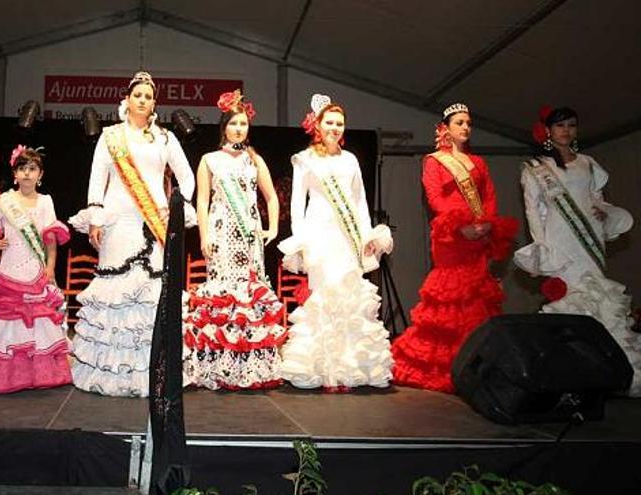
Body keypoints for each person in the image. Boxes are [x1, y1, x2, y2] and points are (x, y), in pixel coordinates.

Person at [69, 71, 195, 397]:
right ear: (127, 99)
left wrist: (175, 205)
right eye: (137, 94)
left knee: (151, 292)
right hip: (117, 221)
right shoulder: (110, 136)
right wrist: (95, 218)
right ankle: (111, 373)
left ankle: (149, 372)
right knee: (115, 292)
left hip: (153, 222)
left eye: (148, 96)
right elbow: (97, 178)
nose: (143, 100)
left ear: (155, 103)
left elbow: (187, 177)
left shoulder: (165, 138)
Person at [391, 103, 517, 393]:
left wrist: (487, 223)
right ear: (445, 128)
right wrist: (461, 227)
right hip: (451, 236)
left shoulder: (479, 163)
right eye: (459, 122)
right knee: (450, 295)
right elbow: (434, 197)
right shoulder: (434, 161)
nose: (465, 127)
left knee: (476, 297)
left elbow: (489, 196)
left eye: (468, 123)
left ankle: (476, 362)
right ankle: (443, 365)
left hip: (478, 235)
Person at [515, 106, 641, 396]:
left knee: (598, 293)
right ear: (548, 131)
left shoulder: (588, 163)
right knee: (571, 295)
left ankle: (614, 366)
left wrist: (603, 212)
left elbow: (596, 199)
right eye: (560, 126)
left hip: (590, 238)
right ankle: (573, 368)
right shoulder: (536, 169)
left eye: (572, 125)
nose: (566, 131)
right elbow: (534, 211)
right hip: (560, 239)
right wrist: (542, 247)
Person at [277, 94, 394, 391]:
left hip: (347, 236)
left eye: (340, 123)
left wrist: (367, 235)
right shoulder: (305, 159)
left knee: (350, 294)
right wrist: (300, 240)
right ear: (317, 125)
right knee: (324, 296)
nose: (335, 128)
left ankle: (352, 367)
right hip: (319, 235)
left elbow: (359, 201)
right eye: (329, 122)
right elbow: (296, 204)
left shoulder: (351, 159)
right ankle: (318, 367)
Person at [183, 90, 287, 390]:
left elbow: (271, 196)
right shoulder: (209, 160)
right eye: (233, 123)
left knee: (247, 294)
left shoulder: (254, 159)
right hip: (221, 232)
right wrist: (204, 234)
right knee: (222, 293)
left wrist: (272, 229)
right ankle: (217, 365)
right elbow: (201, 201)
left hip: (248, 235)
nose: (239, 129)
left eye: (243, 124)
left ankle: (250, 365)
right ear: (224, 127)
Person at [0, 146, 72, 393]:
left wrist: (50, 267)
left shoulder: (46, 201)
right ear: (15, 174)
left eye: (32, 169)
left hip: (36, 269)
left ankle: (36, 375)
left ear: (40, 175)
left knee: (37, 324)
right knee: (6, 322)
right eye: (22, 169)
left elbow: (50, 237)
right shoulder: (5, 200)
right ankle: (4, 376)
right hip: (10, 268)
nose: (27, 174)